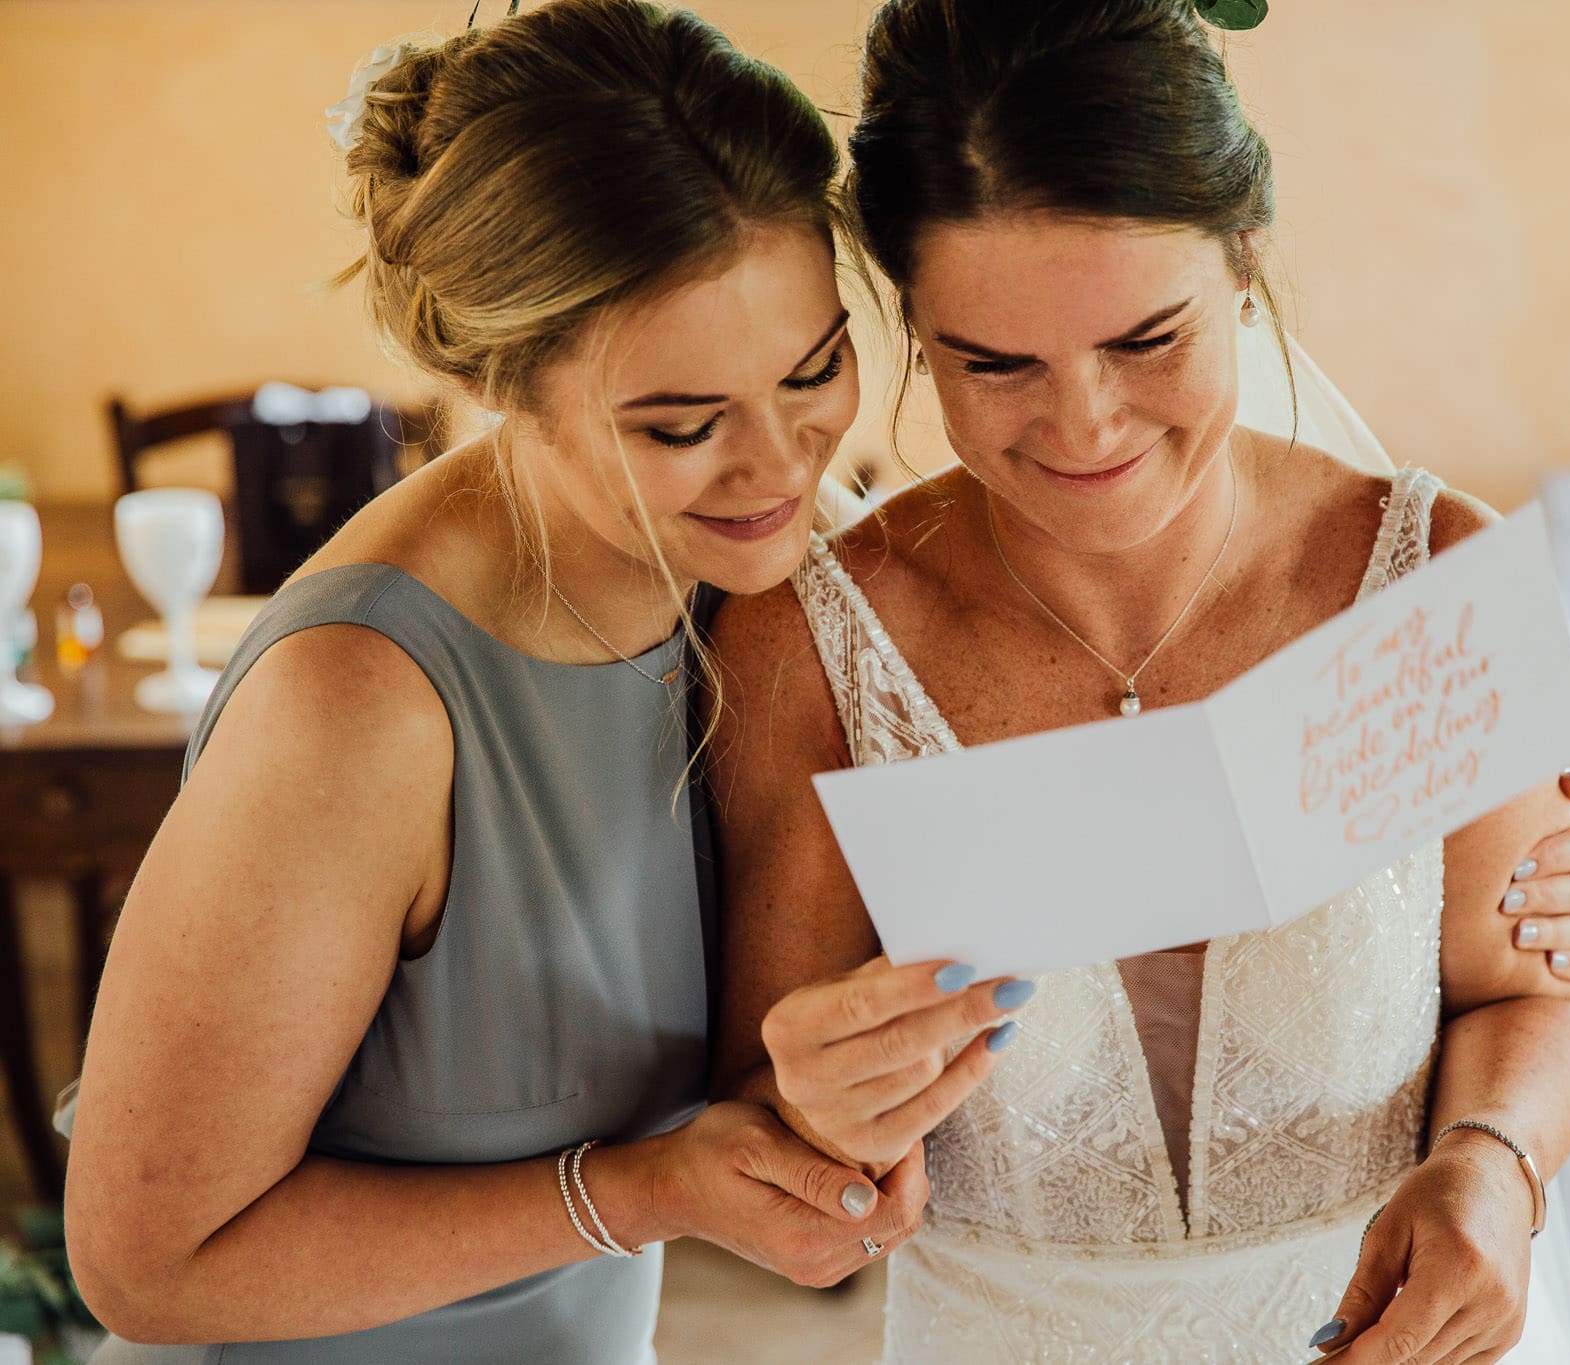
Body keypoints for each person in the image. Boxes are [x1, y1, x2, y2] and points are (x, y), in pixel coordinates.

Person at [708, 1, 1570, 1359]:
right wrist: (821, 1113)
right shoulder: (813, 636)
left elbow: (1525, 992)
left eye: (1149, 341)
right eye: (995, 362)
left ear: (1245, 262)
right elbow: (757, 1117)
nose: (1086, 426)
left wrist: (1493, 1163)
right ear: (911, 325)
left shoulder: (1434, 573)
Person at [61, 4, 925, 1360]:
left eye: (814, 370)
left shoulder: (762, 583)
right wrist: (641, 1190)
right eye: (683, 423)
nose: (781, 466)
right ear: (494, 378)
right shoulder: (360, 705)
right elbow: (147, 1263)